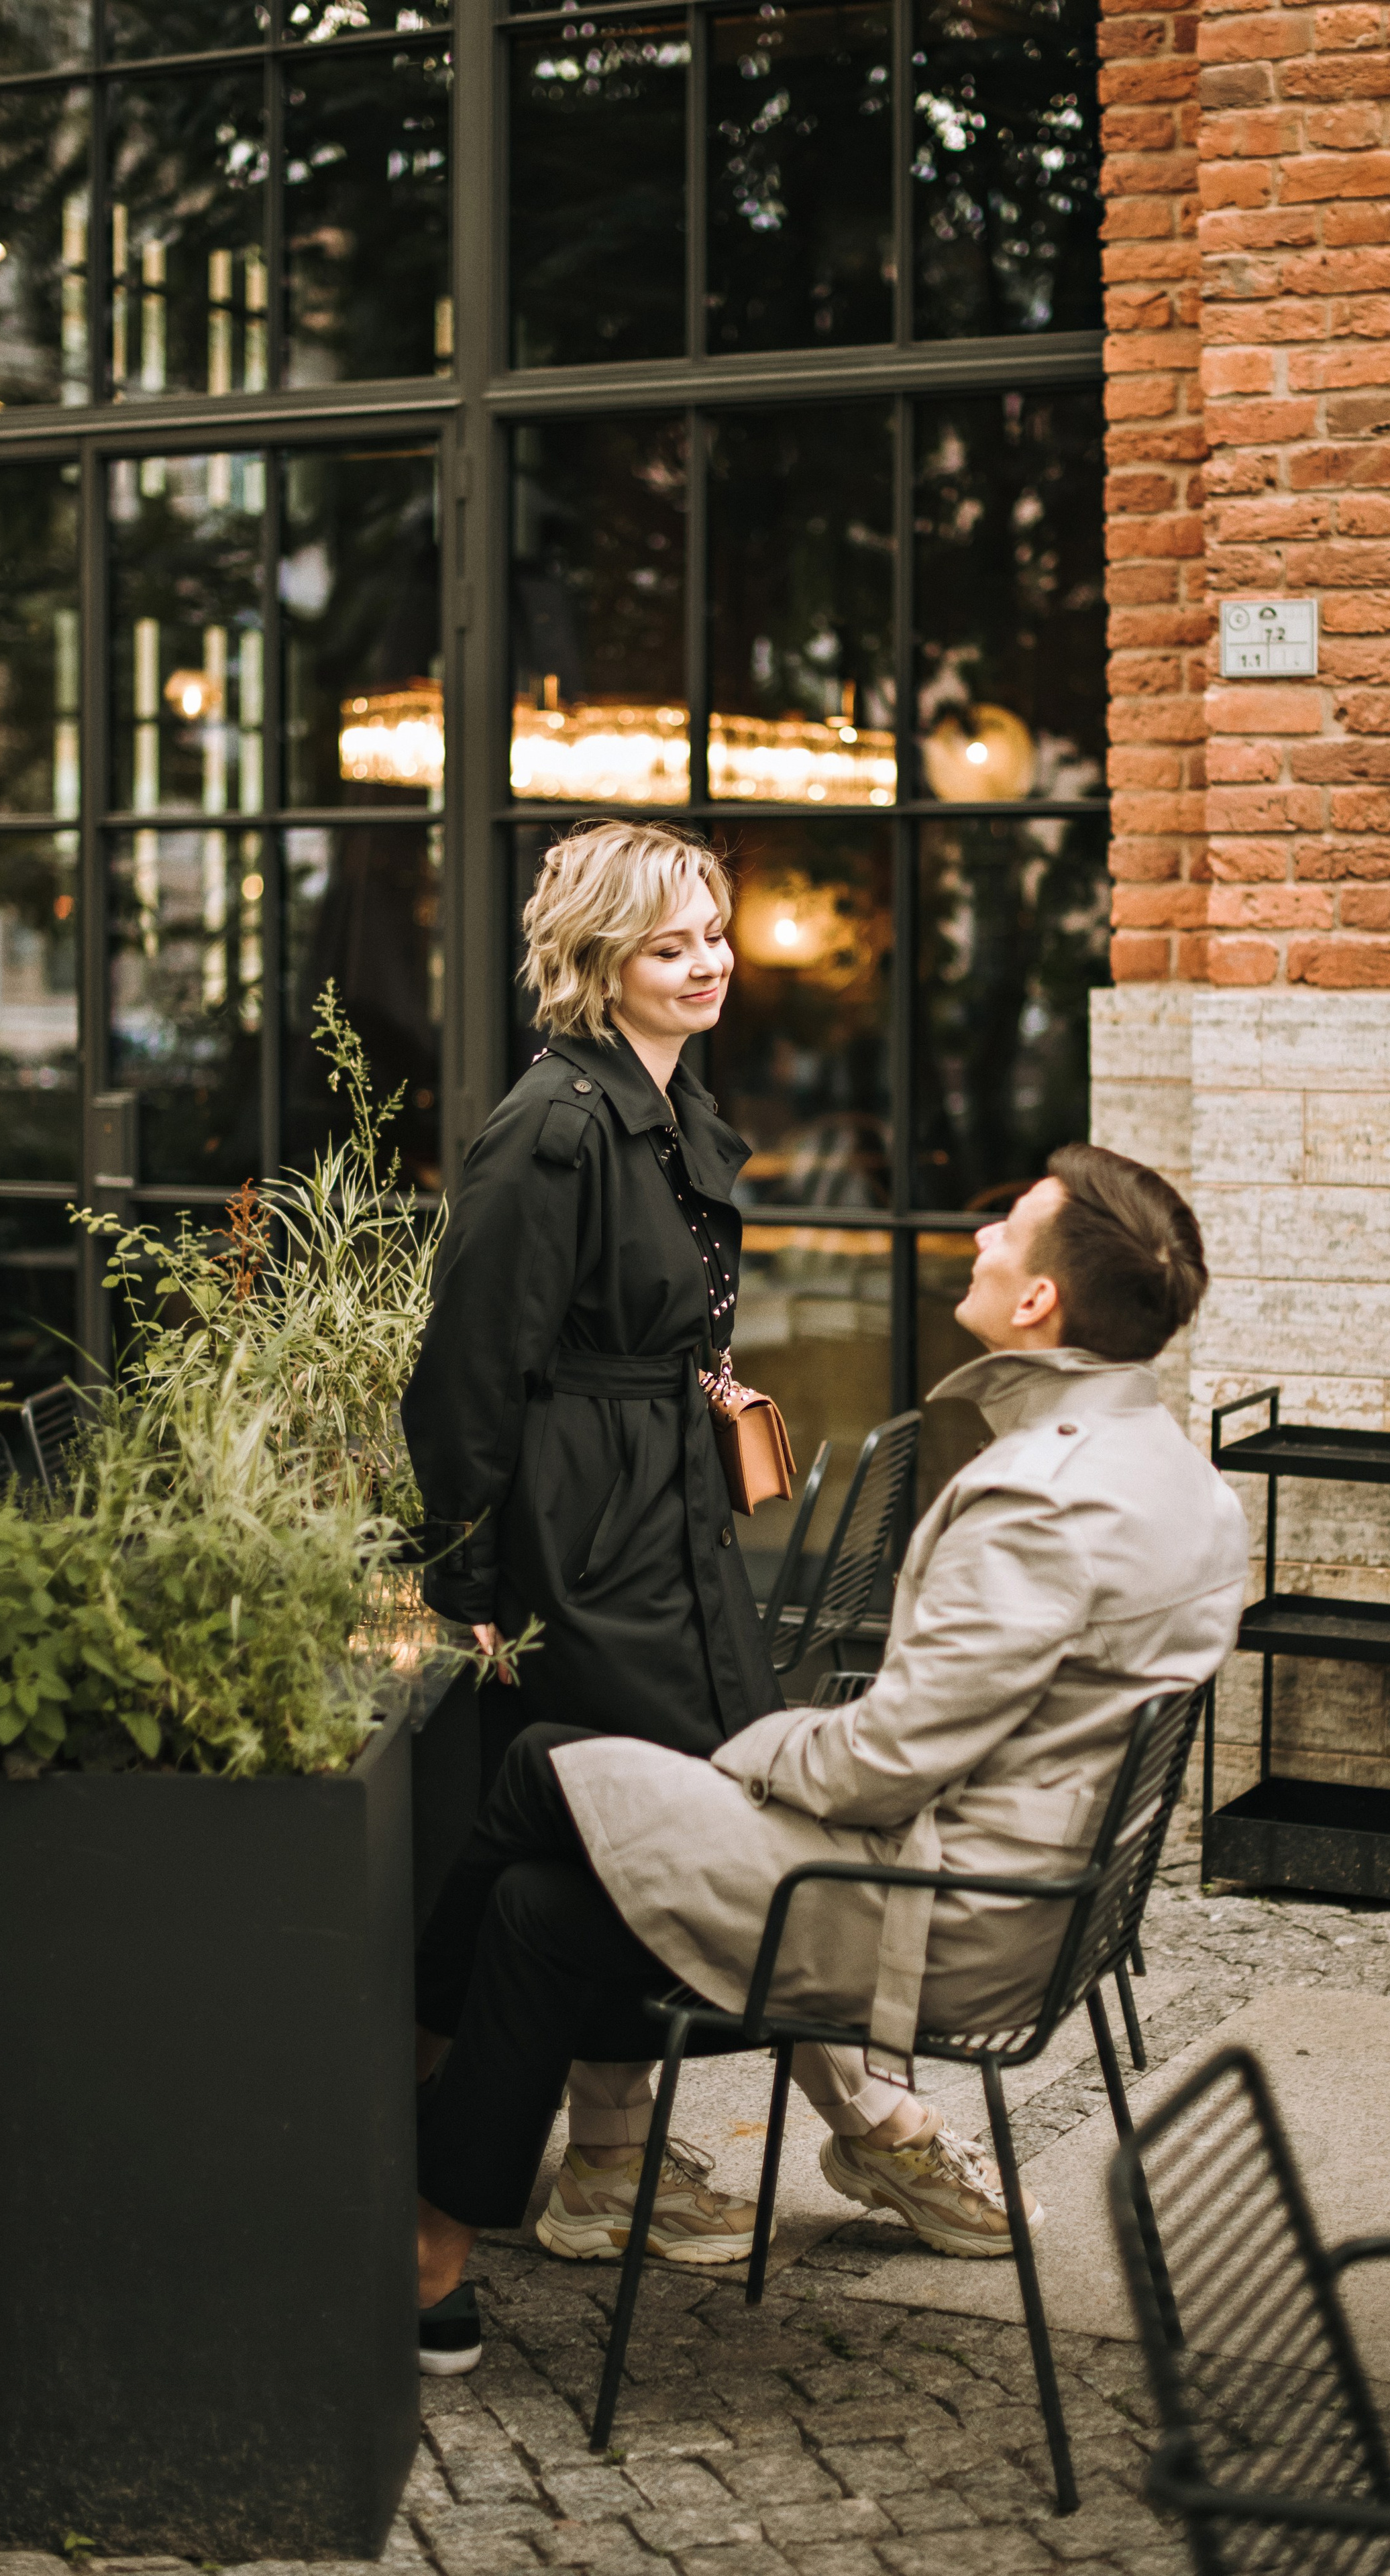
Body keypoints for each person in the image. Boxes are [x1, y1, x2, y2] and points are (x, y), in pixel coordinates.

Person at [412, 1142, 1250, 2375]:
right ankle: (432, 2242)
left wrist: (743, 1751)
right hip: (1018, 1895)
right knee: (540, 1908)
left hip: (936, 1916)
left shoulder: (1041, 1497)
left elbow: (886, 1767)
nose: (975, 1234)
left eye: (1006, 1224)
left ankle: (400, 2118)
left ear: (1038, 1304)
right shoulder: (1183, 1479)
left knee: (539, 1761)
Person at [403, 819, 788, 2278]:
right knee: (645, 1827)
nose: (704, 963)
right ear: (594, 959)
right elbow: (462, 1377)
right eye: (668, 942)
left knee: (611, 1848)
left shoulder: (668, 1102)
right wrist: (473, 1589)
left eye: (712, 933)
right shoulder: (554, 1122)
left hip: (668, 1515)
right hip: (586, 1537)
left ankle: (580, 2159)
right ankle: (528, 2148)